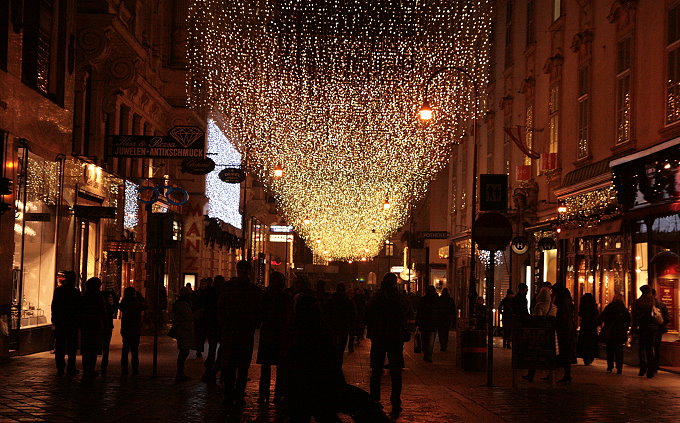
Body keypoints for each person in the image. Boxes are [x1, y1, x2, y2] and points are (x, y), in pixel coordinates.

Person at [218, 260, 263, 406]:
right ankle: (233, 392)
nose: (242, 273)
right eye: (241, 270)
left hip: (240, 332)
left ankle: (236, 392)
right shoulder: (249, 290)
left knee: (240, 366)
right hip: (235, 332)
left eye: (244, 270)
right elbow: (221, 309)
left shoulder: (249, 290)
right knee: (233, 365)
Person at [365, 273, 409, 420]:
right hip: (395, 337)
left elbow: (368, 312)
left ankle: (374, 400)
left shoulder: (377, 297)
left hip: (379, 336)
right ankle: (395, 402)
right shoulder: (398, 297)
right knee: (396, 373)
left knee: (376, 370)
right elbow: (405, 311)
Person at [257, 271, 293, 405]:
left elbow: (260, 314)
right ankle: (277, 394)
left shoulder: (266, 296)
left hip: (270, 334)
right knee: (279, 367)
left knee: (267, 367)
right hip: (278, 334)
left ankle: (265, 394)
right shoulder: (284, 297)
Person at [51, 271, 81, 376]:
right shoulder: (76, 292)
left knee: (60, 346)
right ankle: (70, 367)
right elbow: (78, 309)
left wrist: (54, 319)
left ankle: (60, 367)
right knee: (71, 347)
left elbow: (54, 306)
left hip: (61, 322)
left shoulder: (59, 291)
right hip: (72, 323)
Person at [523, 284, 555, 382]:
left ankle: (530, 375)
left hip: (540, 333)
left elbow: (537, 319)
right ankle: (550, 375)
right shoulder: (553, 307)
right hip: (551, 333)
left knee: (535, 354)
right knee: (549, 355)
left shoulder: (539, 306)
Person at [632, 285, 662, 378]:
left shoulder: (638, 302)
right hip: (653, 328)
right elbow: (660, 314)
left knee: (642, 348)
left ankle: (642, 368)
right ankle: (651, 370)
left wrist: (634, 328)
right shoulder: (655, 302)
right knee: (650, 349)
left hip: (642, 328)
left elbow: (634, 317)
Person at [80, 277, 108, 380]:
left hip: (86, 326)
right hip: (95, 325)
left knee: (87, 349)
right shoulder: (98, 297)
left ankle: (87, 370)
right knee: (92, 349)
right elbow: (103, 311)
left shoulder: (84, 297)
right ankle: (90, 369)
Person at [596, 293, 630, 374]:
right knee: (619, 350)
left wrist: (598, 324)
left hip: (610, 331)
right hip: (620, 332)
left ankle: (610, 366)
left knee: (610, 349)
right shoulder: (624, 309)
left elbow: (601, 317)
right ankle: (619, 367)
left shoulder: (609, 307)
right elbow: (628, 320)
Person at [552, 282, 577, 383]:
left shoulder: (561, 301)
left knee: (564, 352)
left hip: (564, 329)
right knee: (565, 352)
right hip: (568, 329)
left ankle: (567, 375)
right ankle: (566, 374)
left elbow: (561, 315)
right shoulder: (567, 299)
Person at [326, 282, 356, 365]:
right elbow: (352, 315)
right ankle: (339, 361)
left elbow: (327, 313)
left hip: (333, 326)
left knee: (333, 344)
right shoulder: (348, 301)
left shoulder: (331, 300)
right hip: (344, 326)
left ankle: (334, 362)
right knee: (341, 346)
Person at [202, 275, 225, 384]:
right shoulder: (223, 293)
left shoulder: (209, 292)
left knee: (212, 348)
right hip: (220, 325)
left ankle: (210, 371)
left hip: (212, 324)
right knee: (221, 348)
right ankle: (215, 370)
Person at [119, 287, 146, 375]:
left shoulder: (124, 302)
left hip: (126, 328)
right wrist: (140, 297)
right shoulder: (136, 303)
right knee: (134, 350)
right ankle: (135, 369)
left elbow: (120, 307)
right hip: (135, 329)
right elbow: (145, 306)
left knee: (125, 349)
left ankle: (124, 368)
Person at [173, 286, 195, 382]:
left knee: (184, 351)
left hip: (184, 329)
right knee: (183, 352)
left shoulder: (181, 303)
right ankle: (179, 373)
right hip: (184, 330)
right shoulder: (182, 304)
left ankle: (180, 373)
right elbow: (189, 316)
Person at [416, 285, 439, 363]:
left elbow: (419, 311)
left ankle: (426, 354)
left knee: (424, 339)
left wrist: (417, 322)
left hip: (424, 322)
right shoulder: (436, 299)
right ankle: (429, 355)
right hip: (433, 322)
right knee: (431, 340)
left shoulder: (423, 299)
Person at [100, 285, 119, 375]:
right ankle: (103, 365)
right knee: (105, 347)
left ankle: (91, 367)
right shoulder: (107, 306)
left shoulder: (96, 302)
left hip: (99, 327)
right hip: (106, 326)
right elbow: (115, 308)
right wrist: (115, 297)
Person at [652, 288, 671, 374]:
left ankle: (647, 365)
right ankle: (655, 366)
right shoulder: (661, 305)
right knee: (656, 347)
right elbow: (667, 318)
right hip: (658, 329)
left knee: (648, 347)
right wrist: (662, 324)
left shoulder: (644, 305)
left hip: (647, 330)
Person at [577, 293, 599, 366]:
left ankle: (585, 357)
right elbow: (596, 314)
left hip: (585, 326)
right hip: (592, 326)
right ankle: (591, 356)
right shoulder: (593, 306)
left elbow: (580, 314)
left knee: (584, 342)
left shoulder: (583, 306)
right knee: (591, 342)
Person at [436, 288, 457, 352]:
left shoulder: (439, 299)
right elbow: (453, 311)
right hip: (447, 319)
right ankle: (445, 345)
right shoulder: (450, 300)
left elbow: (437, 310)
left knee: (441, 332)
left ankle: (442, 345)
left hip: (440, 319)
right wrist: (454, 320)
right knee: (446, 332)